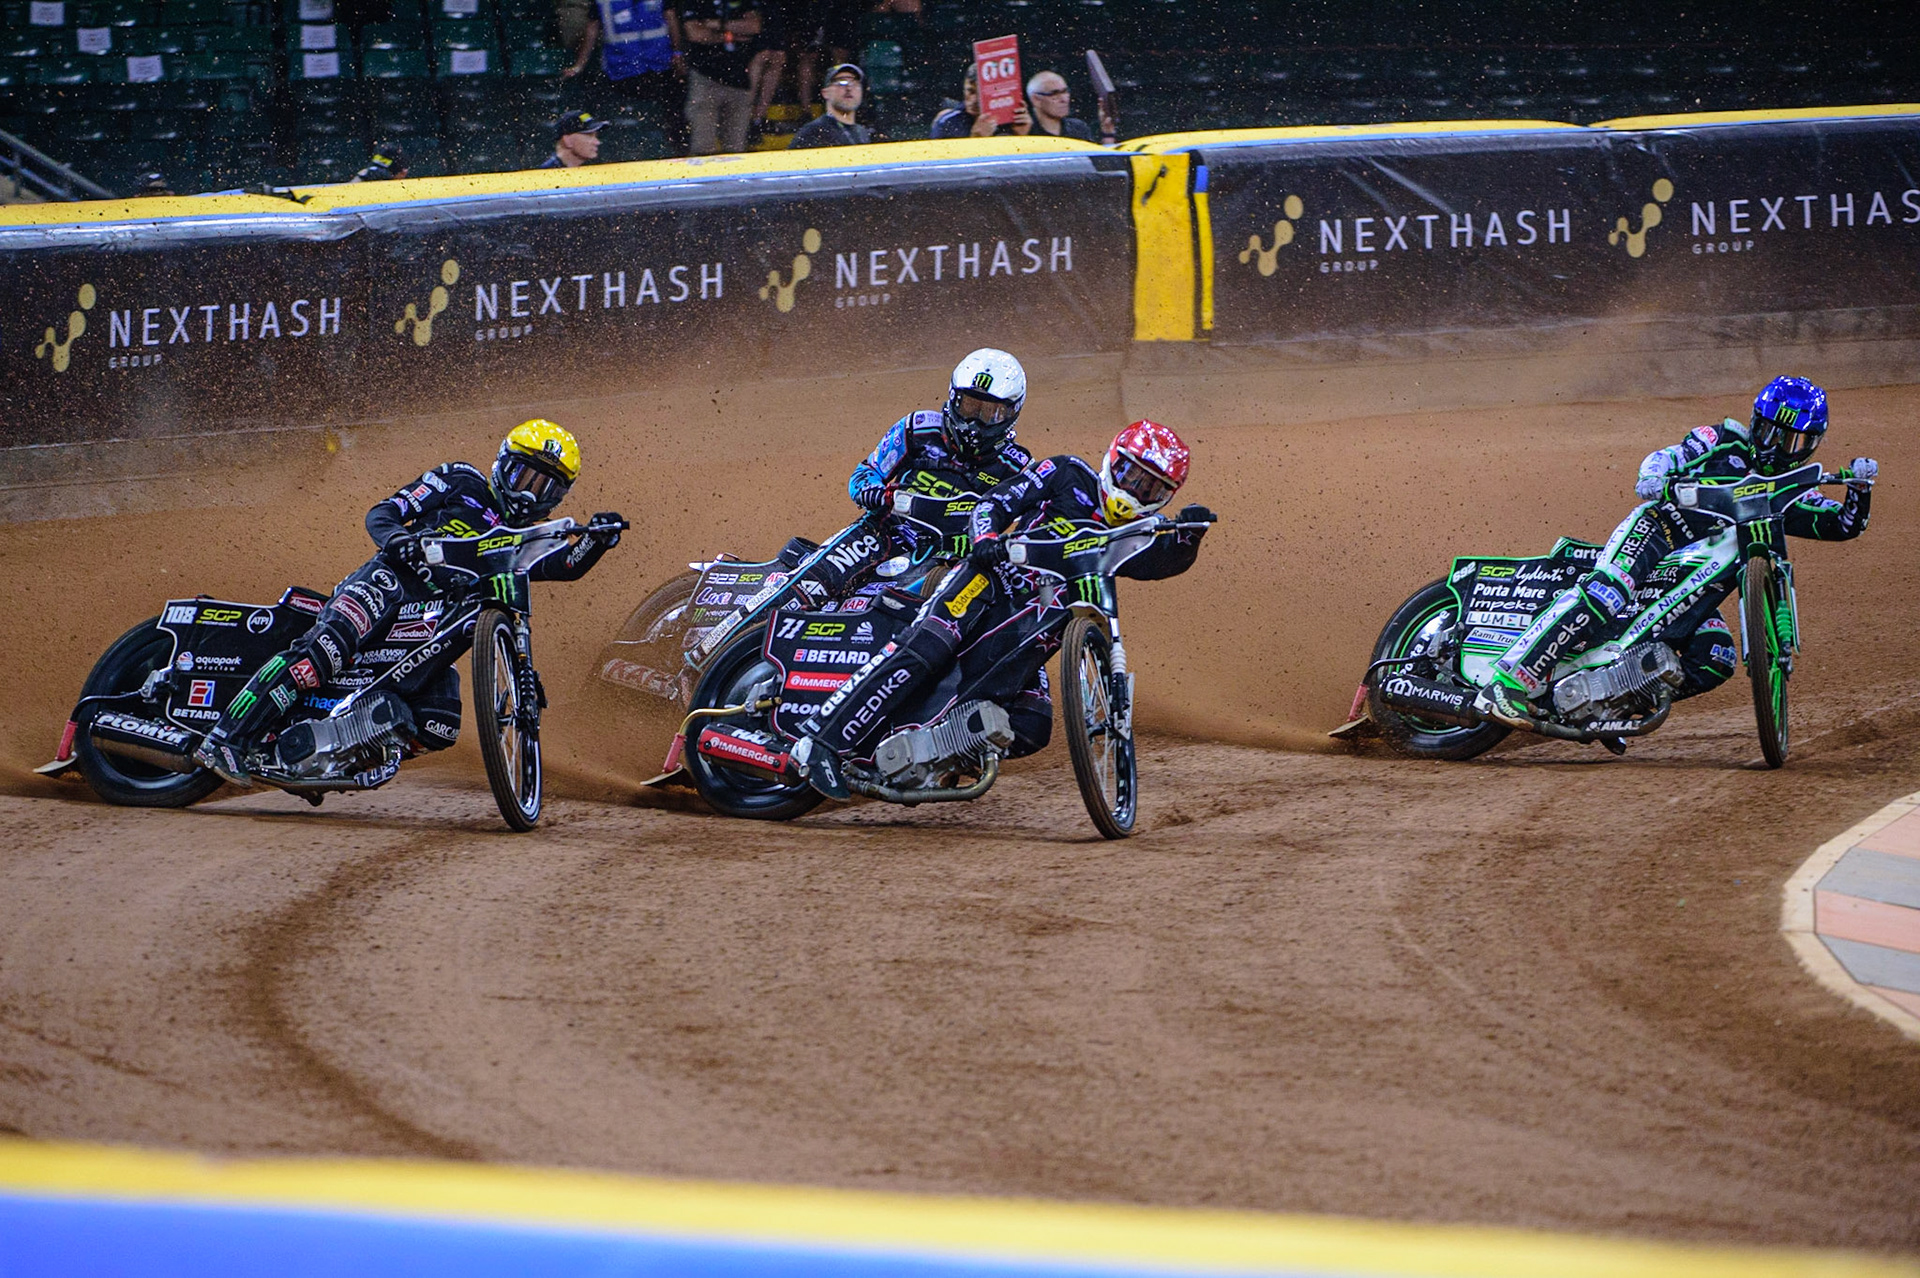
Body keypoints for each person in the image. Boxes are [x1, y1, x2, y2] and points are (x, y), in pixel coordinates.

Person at [791, 419, 1215, 799]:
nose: (1134, 492)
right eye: (1130, 476)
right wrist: (986, 539)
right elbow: (992, 504)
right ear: (1111, 461)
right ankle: (819, 741)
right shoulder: (1068, 473)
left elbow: (1158, 563)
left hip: (1037, 623)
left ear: (1166, 497)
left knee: (1032, 724)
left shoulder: (1134, 533)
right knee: (926, 648)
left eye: (1151, 489)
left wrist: (1187, 539)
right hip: (988, 581)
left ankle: (930, 755)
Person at [192, 420, 622, 785]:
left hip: (432, 621)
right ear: (501, 465)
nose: (528, 494)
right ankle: (225, 739)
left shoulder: (524, 542)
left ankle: (352, 754)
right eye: (522, 477)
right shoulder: (460, 480)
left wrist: (598, 541)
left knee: (440, 720)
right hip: (387, 583)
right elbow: (383, 512)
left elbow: (562, 564)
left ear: (557, 498)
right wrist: (402, 541)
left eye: (543, 486)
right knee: (323, 653)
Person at [1474, 376, 1879, 728]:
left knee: (1716, 656)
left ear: (1811, 446)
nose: (1778, 448)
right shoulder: (1721, 439)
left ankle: (1609, 704)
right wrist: (1653, 476)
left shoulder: (1791, 491)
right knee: (1607, 591)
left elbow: (1842, 525)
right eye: (1772, 433)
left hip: (1695, 582)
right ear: (1756, 423)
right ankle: (1508, 682)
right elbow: (1667, 456)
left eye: (1793, 441)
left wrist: (1861, 490)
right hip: (1659, 533)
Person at [667, 0, 762, 154]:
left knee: (736, 151)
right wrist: (735, 33)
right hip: (705, 77)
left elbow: (754, 26)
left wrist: (715, 25)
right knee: (703, 149)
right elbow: (695, 34)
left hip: (739, 79)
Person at [929, 63, 1030, 139]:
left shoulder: (1012, 121)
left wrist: (1020, 135)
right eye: (970, 91)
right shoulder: (948, 122)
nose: (974, 100)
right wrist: (976, 139)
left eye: (982, 94)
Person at [788, 61, 870, 147]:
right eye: (841, 82)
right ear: (825, 93)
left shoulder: (862, 132)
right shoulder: (814, 131)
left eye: (854, 83)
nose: (849, 88)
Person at [1024, 70, 1093, 141]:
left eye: (1065, 92)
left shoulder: (1078, 128)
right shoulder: (1025, 130)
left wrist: (1105, 133)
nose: (1064, 99)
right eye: (1054, 94)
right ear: (1036, 99)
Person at [540, 110, 607, 168]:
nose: (597, 142)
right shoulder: (545, 174)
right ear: (568, 141)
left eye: (596, 136)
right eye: (589, 136)